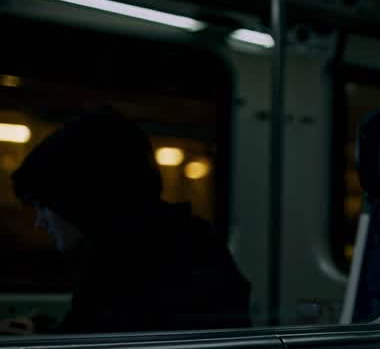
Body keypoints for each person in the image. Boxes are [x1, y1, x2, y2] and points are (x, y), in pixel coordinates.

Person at [8, 106, 251, 333]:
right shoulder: (178, 242)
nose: (40, 222)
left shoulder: (132, 264)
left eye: (44, 206)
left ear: (79, 200)